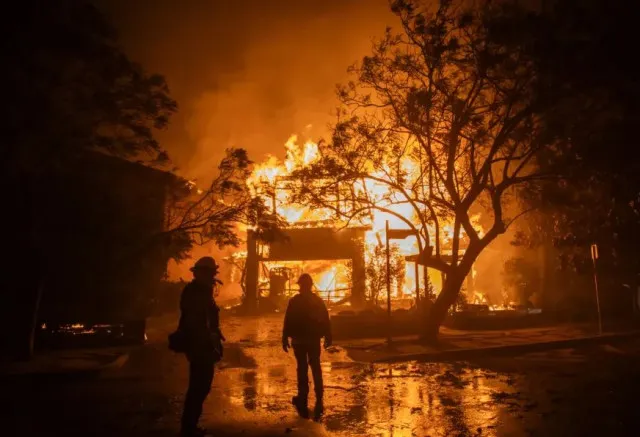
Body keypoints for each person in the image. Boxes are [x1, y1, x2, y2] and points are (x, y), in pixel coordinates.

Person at [179, 256, 225, 437]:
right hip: (199, 345)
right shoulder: (196, 292)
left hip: (202, 344)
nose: (212, 277)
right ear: (200, 274)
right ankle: (188, 428)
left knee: (201, 386)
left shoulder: (201, 291)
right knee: (199, 386)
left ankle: (190, 426)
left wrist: (215, 334)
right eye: (210, 273)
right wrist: (208, 338)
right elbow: (196, 320)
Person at [282, 273, 332, 420]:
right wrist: (328, 336)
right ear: (310, 286)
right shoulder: (317, 301)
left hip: (299, 340)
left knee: (302, 368)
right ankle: (319, 395)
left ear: (300, 286)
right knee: (315, 365)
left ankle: (302, 396)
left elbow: (288, 320)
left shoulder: (294, 301)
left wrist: (285, 337)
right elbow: (325, 319)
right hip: (313, 340)